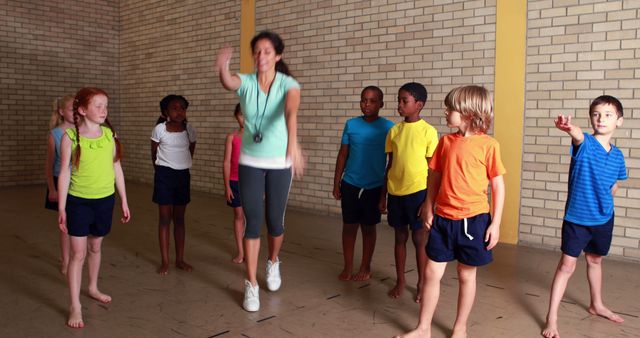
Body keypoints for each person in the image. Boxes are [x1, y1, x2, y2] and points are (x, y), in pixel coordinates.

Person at [397, 85, 505, 338]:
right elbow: (434, 176)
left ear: (468, 112)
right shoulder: (445, 142)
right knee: (432, 272)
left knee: (466, 275)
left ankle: (460, 327)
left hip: (474, 220)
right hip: (443, 219)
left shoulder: (489, 145)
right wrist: (428, 206)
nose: (445, 112)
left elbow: (498, 184)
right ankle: (423, 328)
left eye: (451, 108)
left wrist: (496, 223)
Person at [216, 30, 304, 312]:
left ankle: (273, 261)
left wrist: (293, 145)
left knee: (275, 222)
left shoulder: (288, 83)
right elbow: (229, 82)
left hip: (280, 162)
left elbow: (291, 112)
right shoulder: (248, 81)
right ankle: (251, 284)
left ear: (277, 55)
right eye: (257, 51)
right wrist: (222, 66)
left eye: (267, 51)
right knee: (253, 222)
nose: (261, 56)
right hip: (251, 161)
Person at [542, 95, 627, 338]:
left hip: (603, 219)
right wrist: (569, 128)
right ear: (591, 118)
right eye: (597, 114)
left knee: (595, 261)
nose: (601, 119)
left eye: (608, 115)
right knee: (567, 266)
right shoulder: (585, 143)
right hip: (577, 219)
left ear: (619, 121)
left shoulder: (618, 155)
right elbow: (577, 135)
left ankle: (596, 304)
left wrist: (606, 201)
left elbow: (614, 185)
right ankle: (552, 318)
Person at [57, 87, 131, 328]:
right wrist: (62, 207)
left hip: (104, 200)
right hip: (79, 201)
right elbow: (65, 173)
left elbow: (116, 169)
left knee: (96, 246)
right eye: (98, 106)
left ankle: (92, 287)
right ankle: (74, 305)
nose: (103, 110)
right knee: (78, 253)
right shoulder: (71, 136)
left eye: (105, 106)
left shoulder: (109, 135)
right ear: (82, 110)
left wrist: (124, 200)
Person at [380, 82, 438, 302]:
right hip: (396, 193)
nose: (400, 105)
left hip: (418, 194)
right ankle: (401, 280)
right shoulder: (394, 131)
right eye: (399, 100)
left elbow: (433, 171)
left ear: (419, 105)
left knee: (419, 240)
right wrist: (383, 195)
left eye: (405, 101)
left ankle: (422, 282)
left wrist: (429, 202)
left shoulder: (429, 132)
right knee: (399, 237)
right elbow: (390, 165)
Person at [333, 86, 394, 281]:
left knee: (369, 228)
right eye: (363, 100)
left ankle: (365, 266)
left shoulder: (388, 128)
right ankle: (348, 266)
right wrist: (336, 183)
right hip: (351, 184)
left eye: (372, 101)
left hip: (374, 187)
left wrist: (384, 193)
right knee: (349, 227)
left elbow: (391, 163)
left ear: (381, 104)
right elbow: (343, 155)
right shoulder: (351, 125)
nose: (366, 104)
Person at [151, 94, 196, 275]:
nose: (179, 112)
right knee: (164, 219)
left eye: (182, 108)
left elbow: (190, 151)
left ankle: (179, 259)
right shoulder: (159, 130)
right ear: (165, 112)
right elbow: (153, 153)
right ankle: (165, 261)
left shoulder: (189, 130)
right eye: (174, 108)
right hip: (164, 175)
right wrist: (162, 172)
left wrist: (180, 166)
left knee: (179, 219)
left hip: (182, 176)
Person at [46, 94, 75, 276]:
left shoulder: (83, 132)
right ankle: (65, 259)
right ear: (62, 112)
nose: (76, 113)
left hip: (79, 182)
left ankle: (75, 256)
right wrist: (52, 188)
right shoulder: (55, 134)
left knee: (76, 223)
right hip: (61, 180)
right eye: (71, 109)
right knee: (66, 225)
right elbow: (48, 166)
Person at [223, 103, 245, 264]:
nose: (245, 118)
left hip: (252, 182)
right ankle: (241, 251)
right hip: (235, 181)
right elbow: (226, 163)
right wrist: (227, 186)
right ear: (236, 116)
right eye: (241, 114)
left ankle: (250, 248)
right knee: (238, 215)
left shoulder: (258, 137)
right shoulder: (232, 137)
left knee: (251, 218)